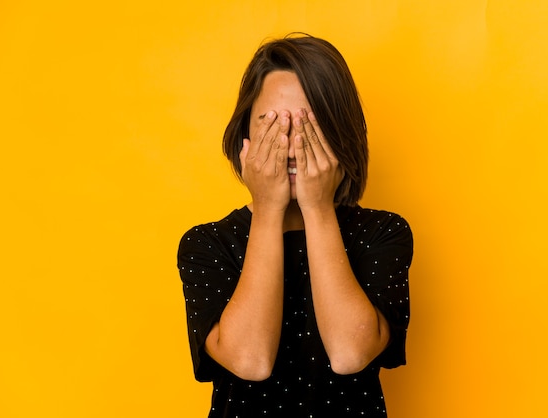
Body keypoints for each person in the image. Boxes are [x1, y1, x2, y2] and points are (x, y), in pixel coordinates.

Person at [177, 33, 413, 417]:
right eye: (271, 125)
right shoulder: (208, 244)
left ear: (339, 135)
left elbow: (350, 354)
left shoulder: (383, 234)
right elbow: (250, 360)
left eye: (307, 126)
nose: (289, 145)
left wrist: (318, 207)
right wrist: (269, 209)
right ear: (245, 138)